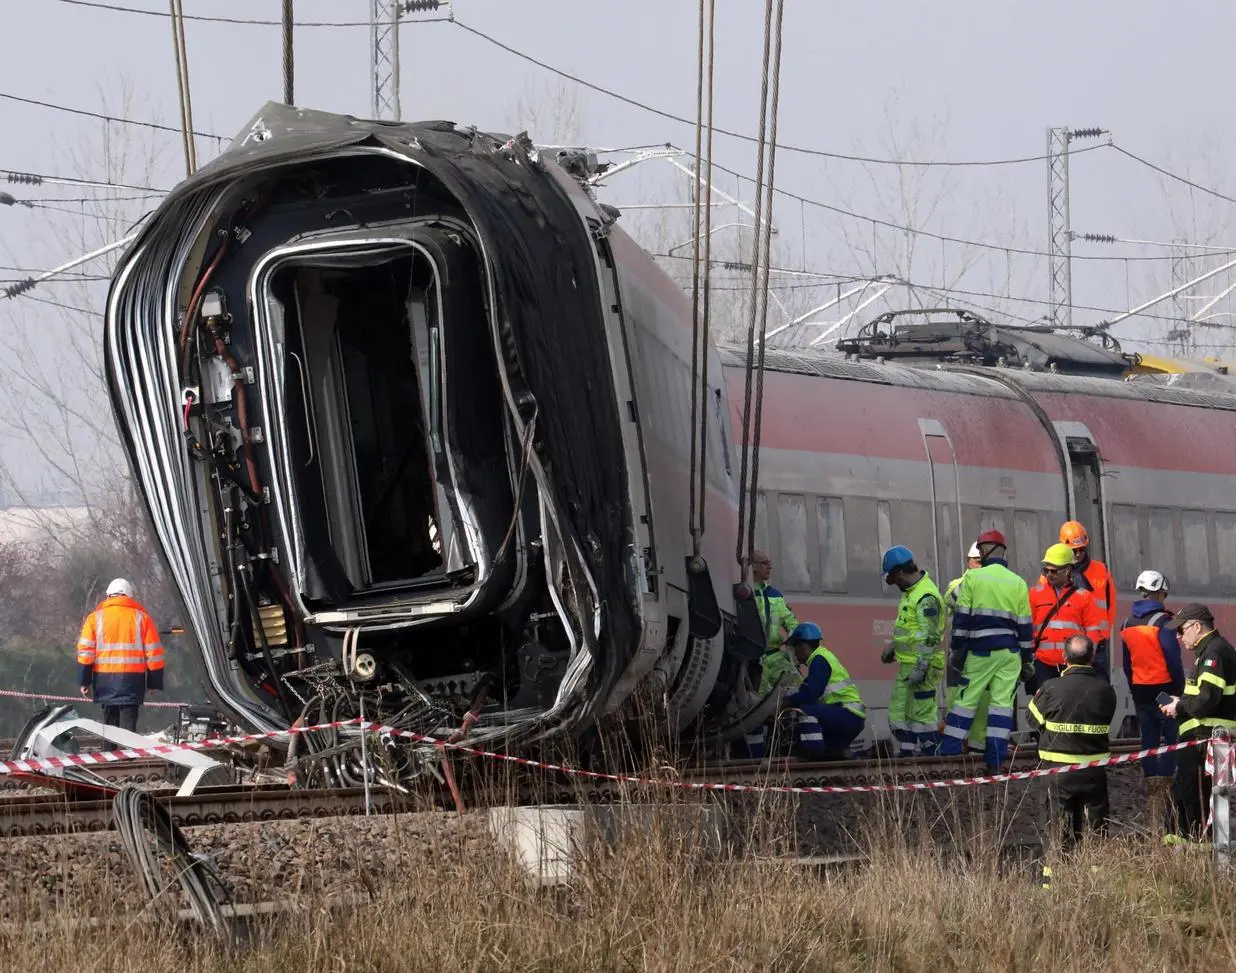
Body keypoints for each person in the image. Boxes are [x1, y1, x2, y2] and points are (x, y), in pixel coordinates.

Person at [939, 529, 1032, 769]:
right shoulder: (1018, 583)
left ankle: (948, 756)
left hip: (980, 653)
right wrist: (1026, 659)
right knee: (1001, 707)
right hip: (1010, 656)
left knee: (965, 702)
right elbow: (1024, 627)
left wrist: (957, 652)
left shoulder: (972, 579)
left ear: (982, 551)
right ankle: (996, 762)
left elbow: (961, 621)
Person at [1027, 634, 1117, 848]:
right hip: (1094, 770)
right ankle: (1096, 874)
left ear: (1063, 656)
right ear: (1092, 657)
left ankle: (1054, 878)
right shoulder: (1106, 690)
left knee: (1058, 828)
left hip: (1058, 772)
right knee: (1096, 828)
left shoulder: (1051, 687)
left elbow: (1032, 720)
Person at [1159, 603, 1236, 841]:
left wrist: (1179, 706)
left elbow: (1206, 700)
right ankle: (1183, 852)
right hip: (1200, 743)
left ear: (1196, 626)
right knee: (1184, 800)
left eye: (1181, 630)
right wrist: (1179, 702)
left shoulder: (1214, 653)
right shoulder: (1209, 652)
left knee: (1195, 804)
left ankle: (1196, 856)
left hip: (1205, 744)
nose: (1179, 636)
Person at [1120, 570, 1185, 826]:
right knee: (1171, 738)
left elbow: (1127, 664)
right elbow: (1174, 661)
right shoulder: (1163, 622)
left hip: (1140, 689)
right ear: (1160, 593)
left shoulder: (1126, 624)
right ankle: (1166, 783)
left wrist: (1133, 685)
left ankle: (1151, 785)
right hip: (1164, 690)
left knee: (1148, 739)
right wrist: (1178, 691)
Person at [76, 578, 165, 748]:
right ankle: (128, 762)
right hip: (133, 681)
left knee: (109, 726)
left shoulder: (95, 618)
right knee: (128, 726)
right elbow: (154, 653)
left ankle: (109, 762)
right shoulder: (142, 618)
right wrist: (154, 682)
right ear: (129, 596)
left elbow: (86, 652)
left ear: (108, 596)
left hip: (104, 680)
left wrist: (84, 680)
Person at [880, 545, 945, 756]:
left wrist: (922, 666)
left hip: (923, 668)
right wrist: (893, 647)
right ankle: (907, 755)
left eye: (892, 577)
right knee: (899, 715)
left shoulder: (926, 596)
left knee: (921, 718)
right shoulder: (911, 594)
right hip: (909, 666)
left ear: (900, 573)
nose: (893, 583)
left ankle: (932, 758)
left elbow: (930, 636)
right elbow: (908, 631)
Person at [780, 621, 866, 759]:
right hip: (851, 716)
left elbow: (810, 694)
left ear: (802, 646)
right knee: (833, 755)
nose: (794, 653)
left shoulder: (819, 660)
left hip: (846, 713)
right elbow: (810, 689)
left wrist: (787, 702)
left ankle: (813, 757)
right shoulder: (823, 658)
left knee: (804, 711)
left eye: (794, 647)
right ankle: (864, 755)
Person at [1028, 544, 1108, 691]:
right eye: (1046, 570)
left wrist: (1086, 661)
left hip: (1074, 668)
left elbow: (1093, 633)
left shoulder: (1084, 597)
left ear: (1068, 570)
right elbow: (1028, 628)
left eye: (1054, 571)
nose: (1049, 575)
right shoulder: (1034, 594)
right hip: (1043, 666)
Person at [943, 544, 988, 754]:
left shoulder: (989, 585)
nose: (980, 566)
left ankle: (977, 746)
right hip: (959, 658)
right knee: (956, 702)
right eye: (977, 562)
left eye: (983, 562)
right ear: (969, 562)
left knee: (982, 703)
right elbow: (952, 598)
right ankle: (955, 747)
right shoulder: (958, 584)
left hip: (981, 656)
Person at [1057, 521, 1116, 670]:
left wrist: (1104, 634)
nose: (1078, 554)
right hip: (1068, 644)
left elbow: (1111, 603)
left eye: (1081, 549)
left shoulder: (1101, 570)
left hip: (1096, 643)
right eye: (1074, 550)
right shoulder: (1052, 573)